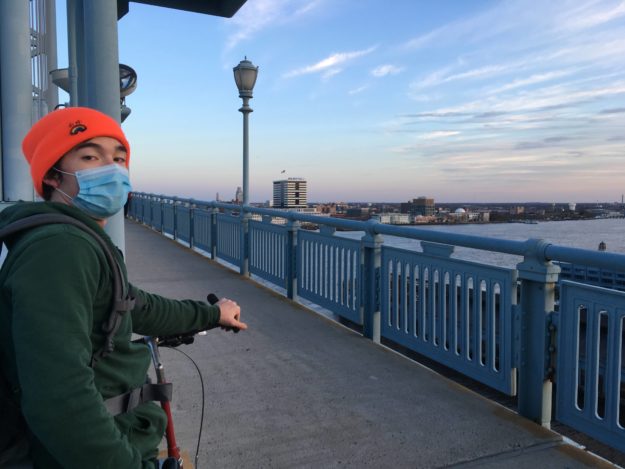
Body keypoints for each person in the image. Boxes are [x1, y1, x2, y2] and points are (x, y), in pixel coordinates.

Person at [0, 107, 247, 468]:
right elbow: (59, 396)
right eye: (90, 156)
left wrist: (211, 313)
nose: (111, 169)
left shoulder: (80, 240)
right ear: (53, 176)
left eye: (119, 158)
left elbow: (135, 304)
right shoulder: (60, 248)